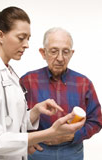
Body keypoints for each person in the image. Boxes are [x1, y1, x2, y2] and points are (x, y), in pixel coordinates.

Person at [0, 7, 86, 160]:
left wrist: (35, 111)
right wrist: (49, 133)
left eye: (28, 38)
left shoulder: (9, 72)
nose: (27, 44)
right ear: (1, 36)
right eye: (21, 38)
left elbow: (11, 122)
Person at [20, 27, 102, 160]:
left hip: (72, 150)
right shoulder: (27, 81)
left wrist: (72, 136)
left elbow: (96, 121)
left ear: (72, 53)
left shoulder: (84, 83)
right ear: (43, 53)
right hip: (38, 151)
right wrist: (27, 141)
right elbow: (15, 121)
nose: (60, 58)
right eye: (53, 51)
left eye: (65, 52)